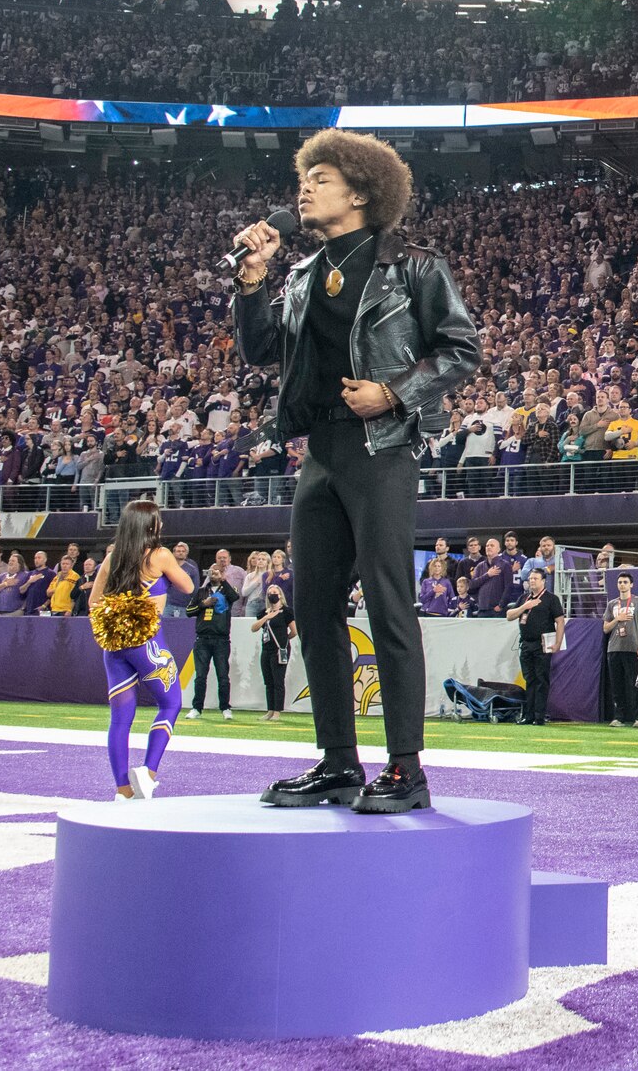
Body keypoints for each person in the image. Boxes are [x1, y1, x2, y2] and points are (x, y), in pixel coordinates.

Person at [233, 127, 479, 815]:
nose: (305, 188)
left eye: (322, 178)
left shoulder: (416, 267)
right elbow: (262, 352)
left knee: (388, 603)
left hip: (383, 447)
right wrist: (253, 284)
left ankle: (406, 769)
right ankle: (339, 762)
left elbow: (462, 349)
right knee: (313, 607)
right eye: (305, 178)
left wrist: (394, 391)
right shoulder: (306, 274)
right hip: (323, 452)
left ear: (364, 192)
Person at [88, 501, 195, 800]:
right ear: (150, 525)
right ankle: (147, 773)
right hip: (147, 642)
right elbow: (187, 587)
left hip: (115, 646)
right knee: (171, 703)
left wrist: (117, 617)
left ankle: (123, 789)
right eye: (158, 521)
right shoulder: (160, 555)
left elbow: (93, 604)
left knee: (120, 718)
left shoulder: (112, 558)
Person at [506, 567, 564, 725]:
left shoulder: (551, 599)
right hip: (526, 643)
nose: (532, 581)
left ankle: (539, 716)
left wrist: (558, 642)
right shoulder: (524, 598)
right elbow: (509, 616)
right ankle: (528, 715)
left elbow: (559, 621)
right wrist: (525, 606)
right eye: (530, 578)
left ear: (543, 581)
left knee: (541, 679)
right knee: (529, 679)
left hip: (543, 643)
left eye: (535, 578)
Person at [186, 561, 239, 721]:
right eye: (211, 571)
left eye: (217, 571)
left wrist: (223, 580)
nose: (214, 573)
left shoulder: (227, 589)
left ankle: (225, 708)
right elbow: (189, 611)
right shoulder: (202, 592)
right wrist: (203, 604)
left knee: (223, 675)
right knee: (200, 676)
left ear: (223, 574)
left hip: (221, 639)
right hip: (202, 639)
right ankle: (196, 708)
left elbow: (234, 597)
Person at [602, 571, 638, 726]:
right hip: (614, 648)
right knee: (617, 685)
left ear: (631, 584)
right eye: (620, 582)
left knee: (634, 684)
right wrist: (617, 619)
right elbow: (606, 628)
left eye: (625, 582)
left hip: (632, 648)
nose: (622, 584)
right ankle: (619, 717)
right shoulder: (612, 604)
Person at [253, 584, 296, 722]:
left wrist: (284, 640)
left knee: (278, 681)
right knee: (268, 681)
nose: (272, 594)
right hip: (266, 649)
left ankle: (277, 711)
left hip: (279, 650)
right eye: (270, 592)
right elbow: (254, 628)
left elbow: (294, 631)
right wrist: (267, 617)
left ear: (280, 595)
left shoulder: (287, 612)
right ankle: (270, 710)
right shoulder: (263, 612)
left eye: (275, 592)